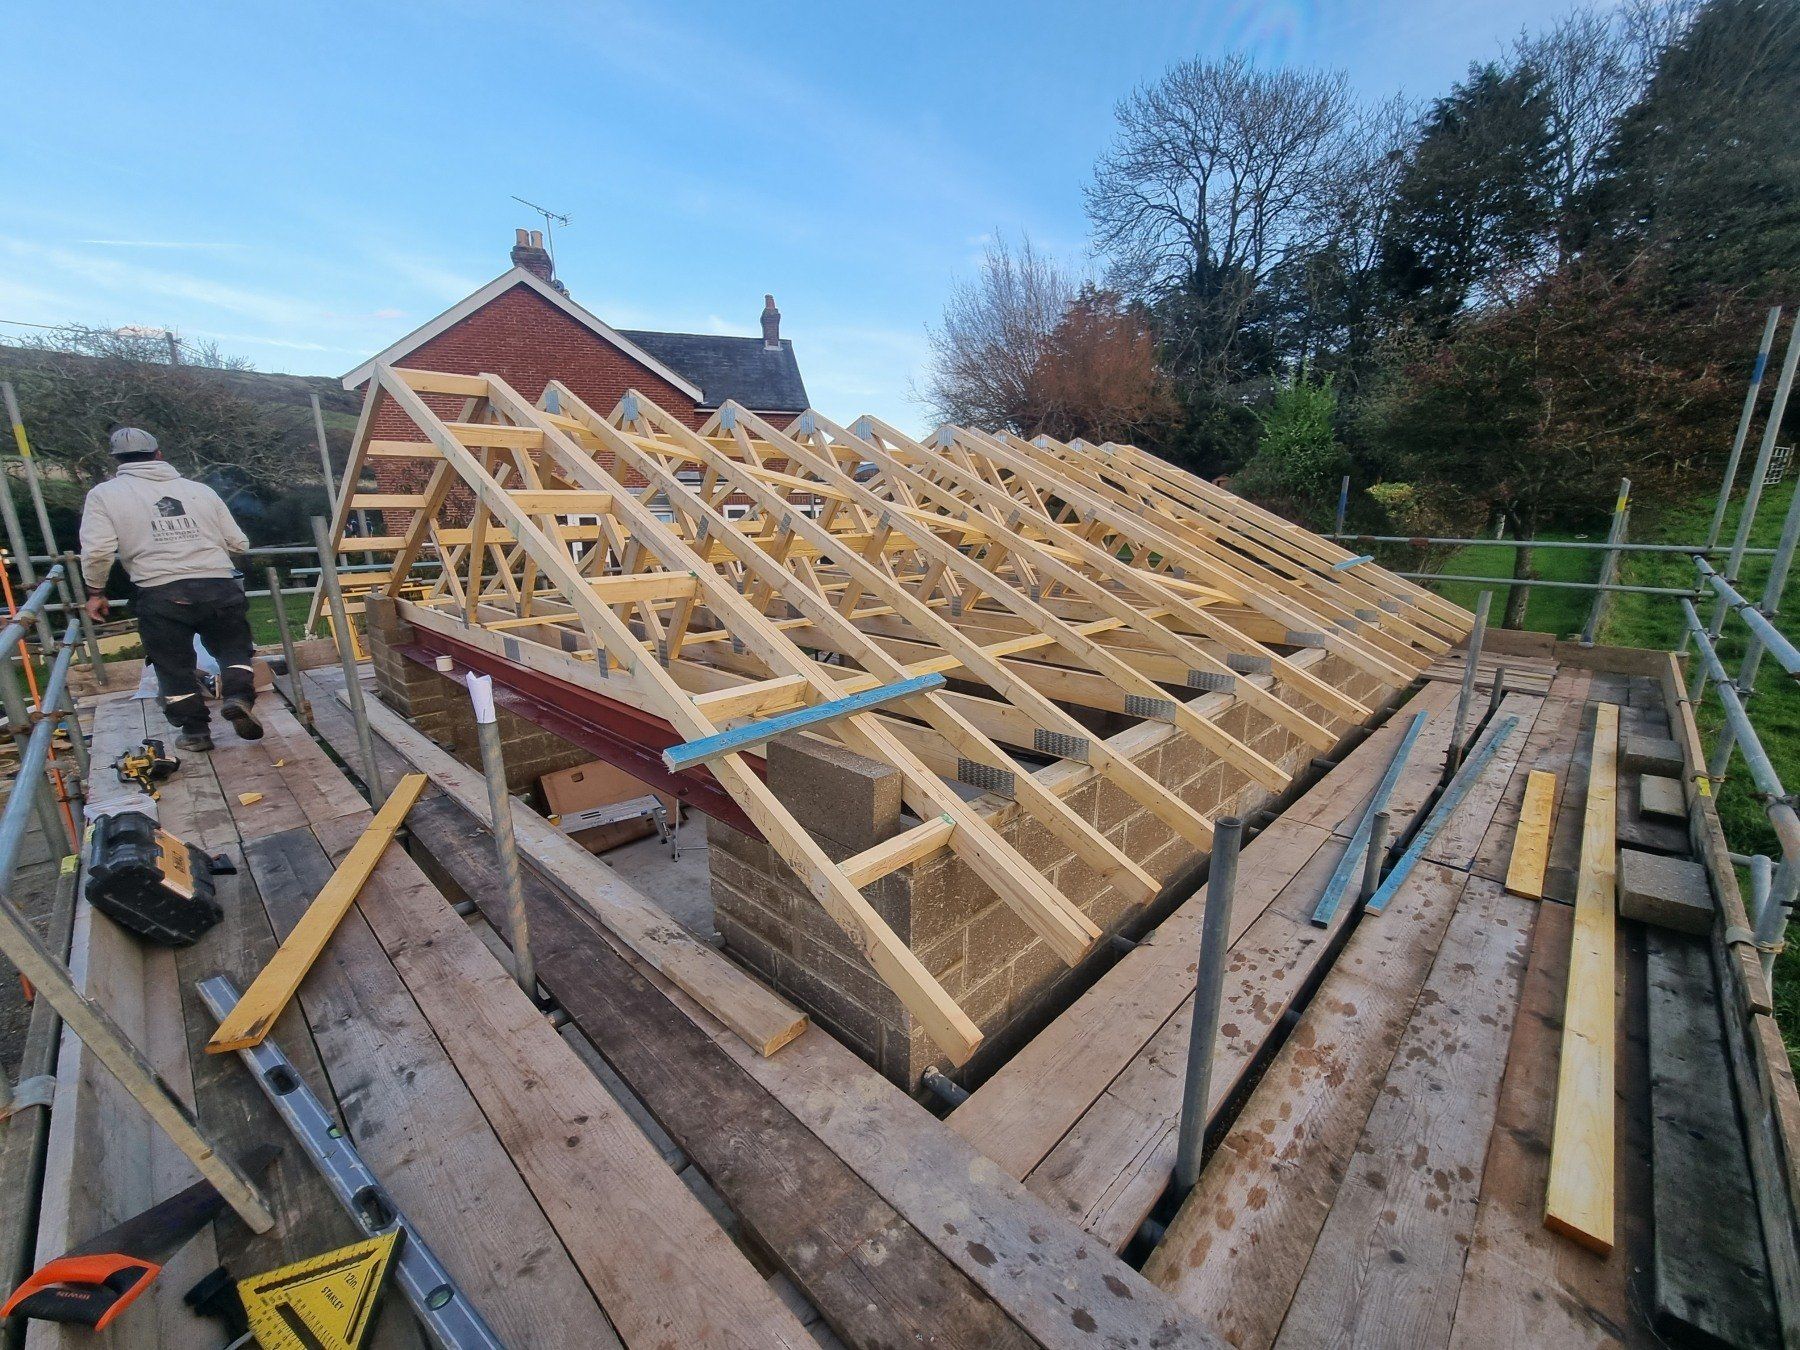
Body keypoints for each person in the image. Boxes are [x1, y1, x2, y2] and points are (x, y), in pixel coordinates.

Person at [80, 427, 261, 752]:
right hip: (218, 585)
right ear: (159, 454)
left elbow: (97, 551)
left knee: (172, 664)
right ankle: (237, 696)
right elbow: (239, 543)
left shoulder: (105, 495)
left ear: (117, 460)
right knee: (234, 648)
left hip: (161, 592)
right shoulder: (200, 491)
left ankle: (195, 733)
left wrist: (96, 592)